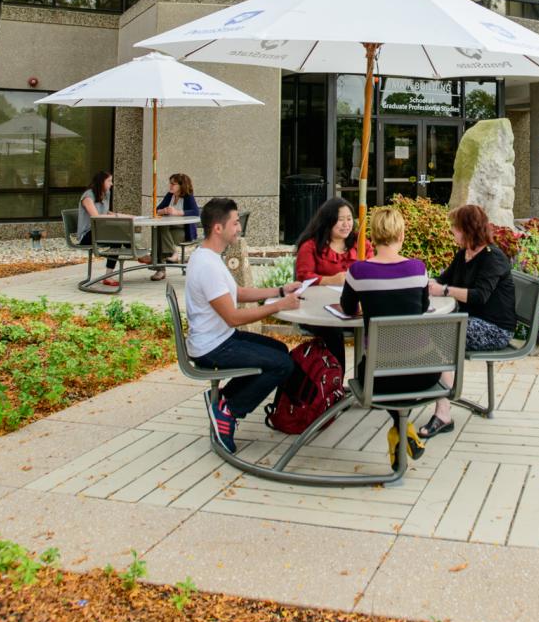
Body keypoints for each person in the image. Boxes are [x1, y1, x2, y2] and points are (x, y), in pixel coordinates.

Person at [185, 197, 302, 453]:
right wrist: (278, 306)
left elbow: (237, 293)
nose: (239, 228)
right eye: (235, 223)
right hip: (211, 347)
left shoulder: (210, 257)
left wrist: (280, 291)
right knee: (283, 364)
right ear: (218, 228)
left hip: (220, 338)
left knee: (280, 351)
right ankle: (229, 412)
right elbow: (233, 317)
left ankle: (223, 399)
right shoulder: (207, 266)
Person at [340, 206, 437, 469]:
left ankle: (401, 430)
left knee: (379, 371)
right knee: (401, 369)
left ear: (372, 236)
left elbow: (348, 309)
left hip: (378, 376)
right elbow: (422, 307)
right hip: (425, 372)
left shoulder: (358, 271)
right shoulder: (418, 269)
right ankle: (402, 430)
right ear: (401, 235)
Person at [419, 203, 516, 439]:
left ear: (468, 229)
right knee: (430, 330)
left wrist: (444, 291)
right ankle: (435, 391)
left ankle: (443, 412)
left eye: (455, 227)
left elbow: (480, 296)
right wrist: (426, 283)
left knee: (441, 335)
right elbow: (443, 279)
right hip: (470, 320)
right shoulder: (464, 254)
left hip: (495, 329)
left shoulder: (493, 258)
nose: (452, 230)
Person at [293, 198, 373, 367]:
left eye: (349, 219)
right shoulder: (311, 246)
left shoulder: (361, 243)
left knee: (376, 324)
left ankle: (369, 375)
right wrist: (331, 280)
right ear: (328, 221)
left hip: (355, 307)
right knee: (332, 332)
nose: (346, 224)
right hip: (318, 310)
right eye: (340, 219)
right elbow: (303, 277)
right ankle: (335, 378)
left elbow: (373, 268)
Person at [77, 170, 134, 288]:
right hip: (87, 235)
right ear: (101, 182)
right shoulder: (88, 196)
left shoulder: (105, 193)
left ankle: (108, 276)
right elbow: (96, 217)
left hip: (100, 232)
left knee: (117, 238)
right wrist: (117, 217)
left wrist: (128, 216)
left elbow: (107, 213)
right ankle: (138, 254)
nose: (111, 184)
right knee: (118, 234)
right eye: (109, 181)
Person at [143, 172, 200, 279]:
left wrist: (177, 212)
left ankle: (158, 264)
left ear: (181, 185)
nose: (170, 186)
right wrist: (164, 211)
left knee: (160, 231)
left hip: (182, 231)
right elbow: (157, 210)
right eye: (170, 183)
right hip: (168, 230)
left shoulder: (188, 197)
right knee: (159, 229)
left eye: (173, 184)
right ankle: (171, 254)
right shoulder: (170, 195)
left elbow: (196, 212)